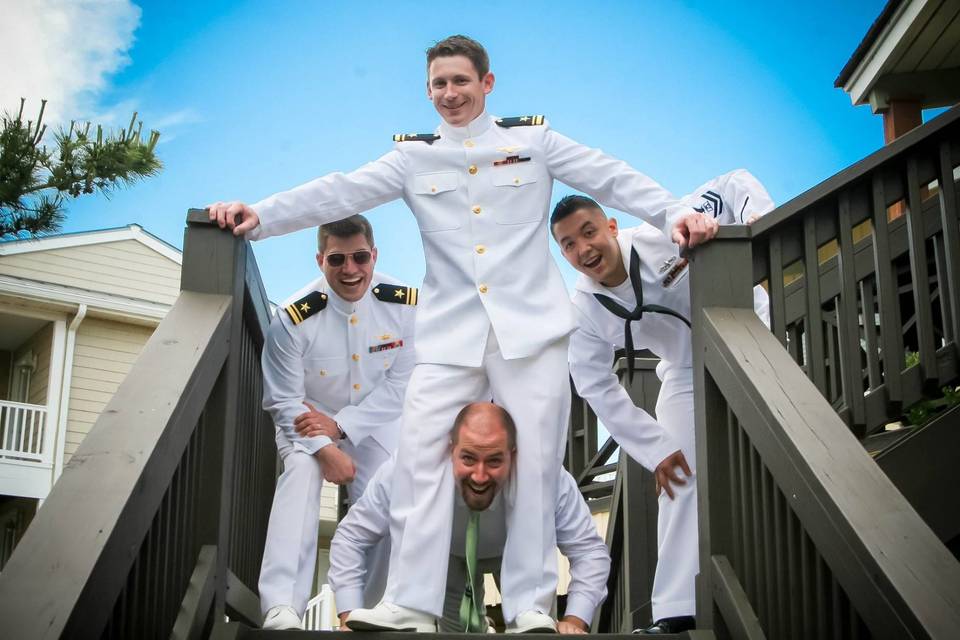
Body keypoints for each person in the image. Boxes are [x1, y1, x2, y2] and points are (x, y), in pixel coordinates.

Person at [208, 35, 718, 632]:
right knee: (421, 451)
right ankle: (413, 603)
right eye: (438, 85)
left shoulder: (534, 142)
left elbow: (610, 176)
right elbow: (339, 189)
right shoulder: (413, 158)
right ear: (428, 91)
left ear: (487, 84)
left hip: (530, 334)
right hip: (449, 337)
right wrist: (260, 216)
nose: (449, 94)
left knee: (534, 462)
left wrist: (670, 212)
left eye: (459, 81)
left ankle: (530, 607)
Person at [551, 171, 773, 635]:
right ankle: (674, 612)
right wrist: (654, 449)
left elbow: (733, 183)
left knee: (764, 456)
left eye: (588, 232)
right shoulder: (582, 311)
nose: (583, 249)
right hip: (685, 369)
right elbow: (594, 385)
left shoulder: (660, 235)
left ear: (611, 226)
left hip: (749, 335)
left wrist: (756, 222)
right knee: (678, 476)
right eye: (568, 245)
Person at [322, 403, 610, 634]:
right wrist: (348, 614)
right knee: (448, 634)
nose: (480, 476)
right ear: (450, 450)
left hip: (517, 555)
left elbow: (589, 552)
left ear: (515, 455)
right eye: (468, 458)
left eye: (495, 461)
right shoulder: (406, 469)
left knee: (533, 630)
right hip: (444, 558)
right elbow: (351, 538)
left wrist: (575, 619)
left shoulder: (548, 478)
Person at [258, 215, 417, 630]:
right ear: (319, 260)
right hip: (306, 421)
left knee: (393, 485)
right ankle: (281, 606)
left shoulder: (404, 305)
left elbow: (402, 383)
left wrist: (343, 427)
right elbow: (282, 399)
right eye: (337, 259)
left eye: (360, 257)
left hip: (375, 420)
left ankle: (369, 611)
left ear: (374, 255)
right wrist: (326, 449)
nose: (350, 270)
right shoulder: (292, 319)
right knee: (299, 476)